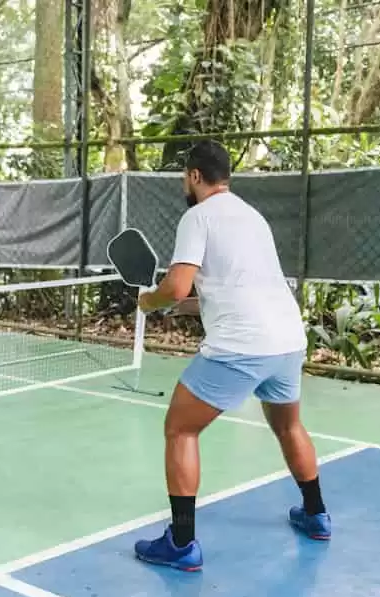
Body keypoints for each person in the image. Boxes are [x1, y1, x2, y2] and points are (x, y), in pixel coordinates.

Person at [132, 141, 330, 571]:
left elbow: (176, 287)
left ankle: (181, 543)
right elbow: (229, 288)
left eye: (185, 176)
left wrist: (149, 301)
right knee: (288, 425)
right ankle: (316, 514)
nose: (184, 183)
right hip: (287, 340)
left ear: (195, 176)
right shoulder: (253, 217)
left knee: (180, 429)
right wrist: (177, 305)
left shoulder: (198, 216)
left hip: (242, 346)